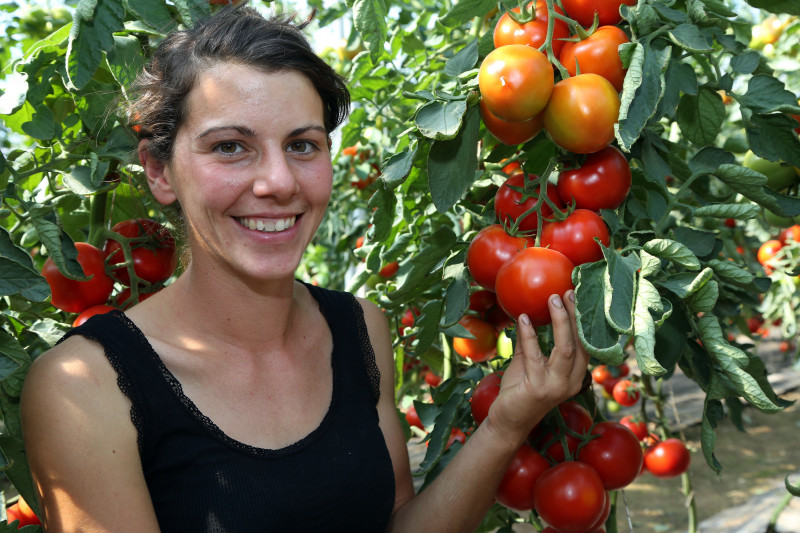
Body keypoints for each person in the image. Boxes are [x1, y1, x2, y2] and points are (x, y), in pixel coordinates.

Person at [20, 3, 590, 532]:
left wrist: (507, 423)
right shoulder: (84, 387)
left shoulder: (360, 329)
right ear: (159, 171)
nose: (279, 182)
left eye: (302, 145)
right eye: (230, 147)